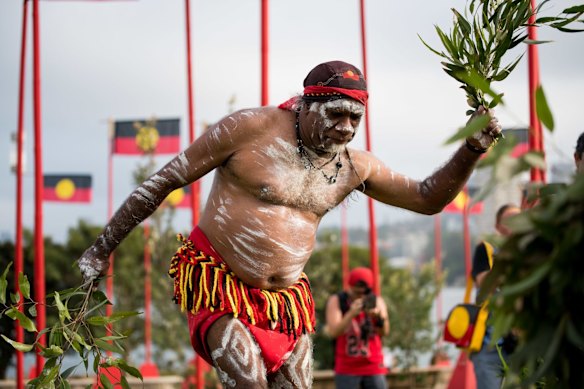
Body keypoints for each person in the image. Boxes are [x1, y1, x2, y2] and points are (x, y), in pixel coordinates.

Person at [77, 60, 502, 387]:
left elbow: (428, 199)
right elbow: (162, 181)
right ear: (305, 104)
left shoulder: (355, 165)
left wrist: (470, 149)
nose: (345, 128)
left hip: (287, 303)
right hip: (220, 283)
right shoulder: (248, 129)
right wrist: (101, 248)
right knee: (249, 382)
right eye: (336, 114)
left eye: (355, 119)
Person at [470, 204, 521, 389]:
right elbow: (483, 282)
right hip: (489, 346)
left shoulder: (530, 254)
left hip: (520, 344)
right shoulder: (486, 251)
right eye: (509, 219)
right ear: (498, 226)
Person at [324, 267, 390, 389]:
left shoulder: (376, 301)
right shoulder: (338, 300)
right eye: (356, 293)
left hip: (374, 366)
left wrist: (378, 317)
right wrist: (350, 314)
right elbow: (334, 332)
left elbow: (385, 331)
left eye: (363, 293)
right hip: (346, 367)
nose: (360, 296)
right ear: (349, 287)